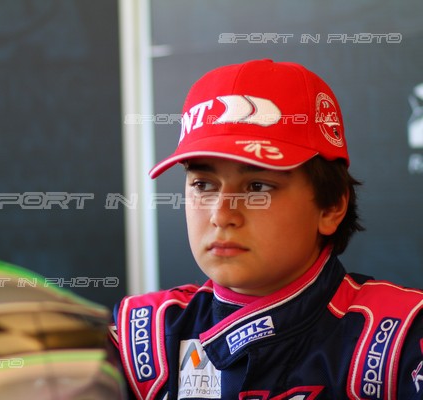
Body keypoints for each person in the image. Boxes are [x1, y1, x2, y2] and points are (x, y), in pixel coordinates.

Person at [109, 59, 423, 400]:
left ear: (332, 206)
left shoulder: (400, 339)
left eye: (257, 187)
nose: (221, 215)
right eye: (203, 184)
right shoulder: (144, 338)